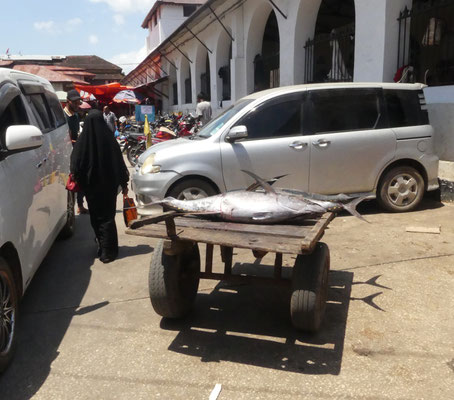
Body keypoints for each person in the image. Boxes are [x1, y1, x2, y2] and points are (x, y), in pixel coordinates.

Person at [70, 109, 129, 263]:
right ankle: (108, 250)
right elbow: (120, 163)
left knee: (96, 217)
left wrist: (80, 181)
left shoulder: (83, 142)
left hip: (91, 187)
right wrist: (124, 183)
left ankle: (104, 248)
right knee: (107, 217)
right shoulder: (109, 140)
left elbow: (75, 164)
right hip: (109, 186)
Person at [64, 89, 88, 214]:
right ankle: (71, 207)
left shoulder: (76, 116)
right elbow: (65, 137)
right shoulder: (63, 117)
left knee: (81, 177)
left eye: (79, 102)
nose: (78, 105)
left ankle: (80, 204)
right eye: (75, 102)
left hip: (76, 150)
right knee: (72, 180)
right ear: (68, 102)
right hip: (66, 152)